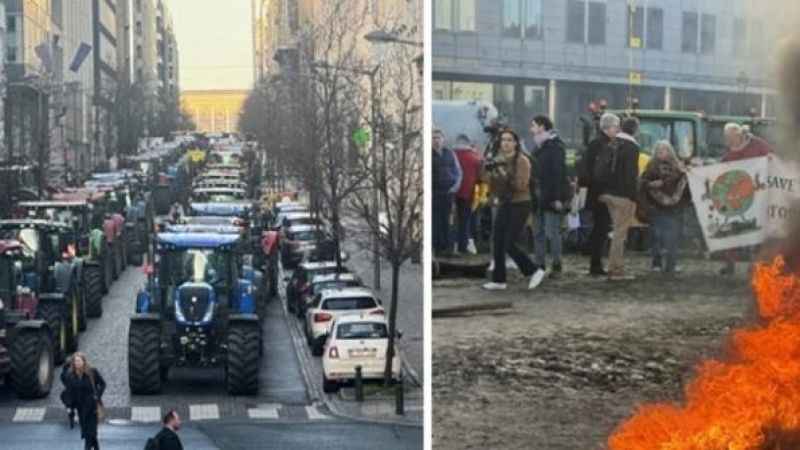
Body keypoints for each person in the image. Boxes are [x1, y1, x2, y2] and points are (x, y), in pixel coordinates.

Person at [482, 128, 545, 291]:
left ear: (516, 143)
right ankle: (499, 280)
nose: (506, 143)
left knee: (509, 242)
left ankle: (534, 270)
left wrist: (502, 173)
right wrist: (489, 171)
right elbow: (489, 183)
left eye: (510, 140)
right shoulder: (497, 159)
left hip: (521, 203)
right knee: (497, 240)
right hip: (504, 203)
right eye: (503, 140)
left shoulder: (522, 161)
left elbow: (520, 185)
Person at [719, 122, 773, 275]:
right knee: (732, 229)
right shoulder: (729, 151)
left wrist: (770, 159)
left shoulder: (758, 144)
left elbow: (771, 157)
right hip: (737, 196)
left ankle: (754, 265)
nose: (728, 140)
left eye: (730, 136)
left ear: (739, 134)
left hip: (757, 194)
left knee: (756, 230)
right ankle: (730, 264)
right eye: (726, 137)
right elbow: (721, 168)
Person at [598, 115, 640, 281]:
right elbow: (631, 175)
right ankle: (616, 269)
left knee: (616, 231)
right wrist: (633, 197)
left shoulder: (612, 143)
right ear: (636, 130)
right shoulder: (632, 147)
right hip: (623, 195)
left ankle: (613, 266)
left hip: (607, 193)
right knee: (620, 234)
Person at [639, 141, 689, 275]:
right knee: (657, 236)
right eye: (660, 151)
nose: (663, 153)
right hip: (656, 206)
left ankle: (671, 264)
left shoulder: (678, 167)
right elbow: (642, 182)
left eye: (665, 150)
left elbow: (683, 184)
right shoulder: (651, 166)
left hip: (675, 207)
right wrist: (651, 184)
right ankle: (656, 263)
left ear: (670, 151)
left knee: (673, 237)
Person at [530, 115, 567, 279]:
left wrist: (558, 198)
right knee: (537, 232)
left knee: (552, 232)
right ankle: (539, 265)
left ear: (542, 126)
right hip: (537, 196)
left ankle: (557, 265)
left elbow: (559, 174)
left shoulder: (555, 146)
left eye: (533, 125)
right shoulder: (539, 146)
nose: (531, 129)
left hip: (550, 196)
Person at [579, 114, 615, 276]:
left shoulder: (595, 143)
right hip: (601, 193)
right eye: (616, 127)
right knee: (601, 228)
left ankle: (593, 259)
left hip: (595, 192)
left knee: (598, 228)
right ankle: (595, 264)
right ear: (609, 127)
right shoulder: (604, 145)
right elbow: (601, 172)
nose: (617, 130)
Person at [61, 352, 106, 450]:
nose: (77, 363)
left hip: (92, 407)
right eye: (75, 361)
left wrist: (97, 396)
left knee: (90, 432)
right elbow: (69, 393)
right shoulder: (71, 376)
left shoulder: (92, 372)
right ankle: (97, 447)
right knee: (88, 432)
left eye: (79, 360)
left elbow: (102, 384)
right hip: (81, 408)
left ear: (83, 361)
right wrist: (69, 407)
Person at [432, 128, 462, 255]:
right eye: (433, 138)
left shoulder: (450, 153)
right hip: (435, 193)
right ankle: (437, 247)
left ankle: (449, 247)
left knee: (449, 221)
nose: (436, 140)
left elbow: (458, 171)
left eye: (438, 137)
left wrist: (454, 187)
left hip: (449, 193)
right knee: (436, 221)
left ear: (443, 139)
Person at [452, 134, 482, 255]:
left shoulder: (451, 155)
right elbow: (481, 176)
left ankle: (450, 245)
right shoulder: (475, 158)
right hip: (469, 193)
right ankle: (463, 246)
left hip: (452, 192)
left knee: (452, 220)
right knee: (466, 220)